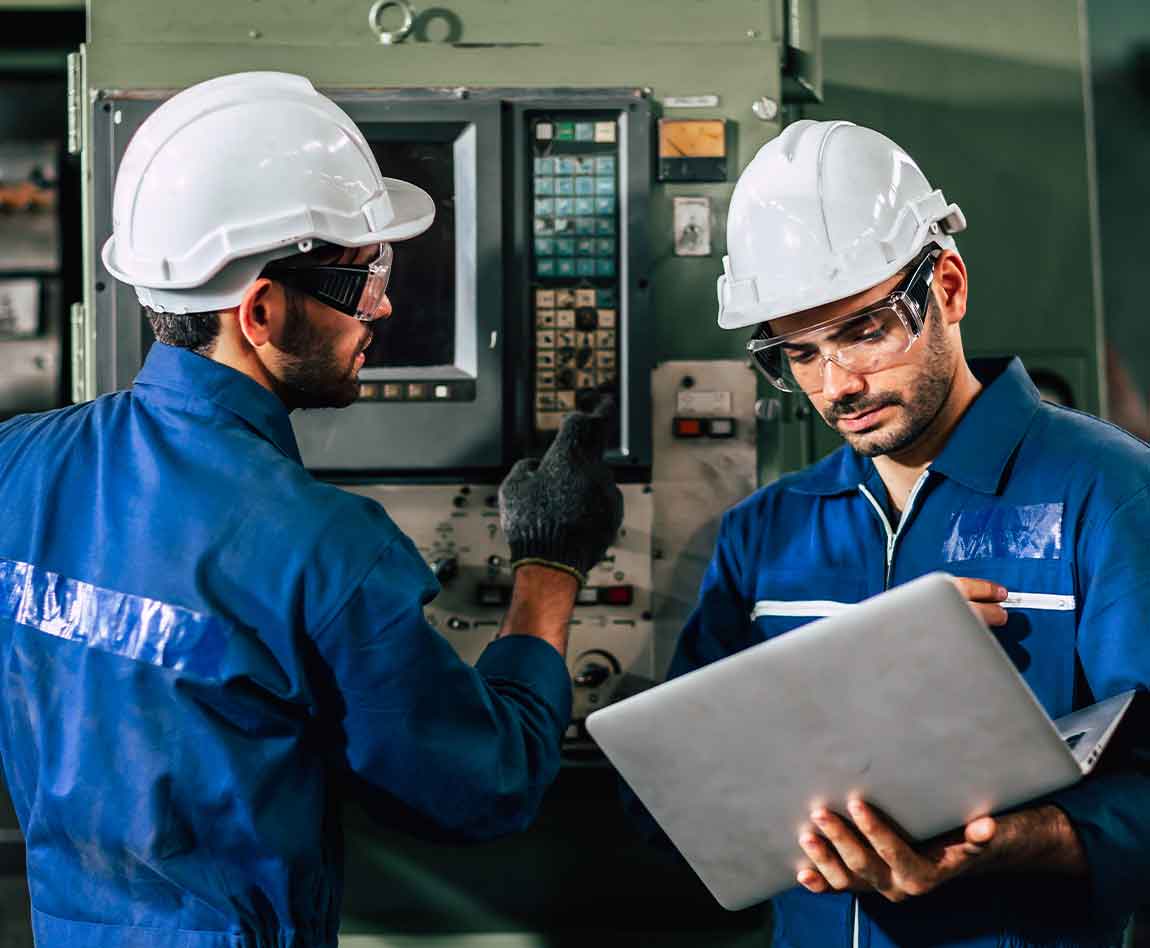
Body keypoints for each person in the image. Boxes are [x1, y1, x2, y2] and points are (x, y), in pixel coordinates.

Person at [0, 71, 622, 947]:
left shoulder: (18, 462)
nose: (386, 306)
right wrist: (550, 568)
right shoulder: (325, 548)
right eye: (363, 279)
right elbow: (484, 789)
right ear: (260, 309)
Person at [646, 120, 1150, 947]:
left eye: (864, 331)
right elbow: (669, 808)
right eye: (799, 355)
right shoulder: (765, 535)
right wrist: (845, 674)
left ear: (947, 287)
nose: (838, 385)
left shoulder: (1107, 493)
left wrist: (1015, 842)